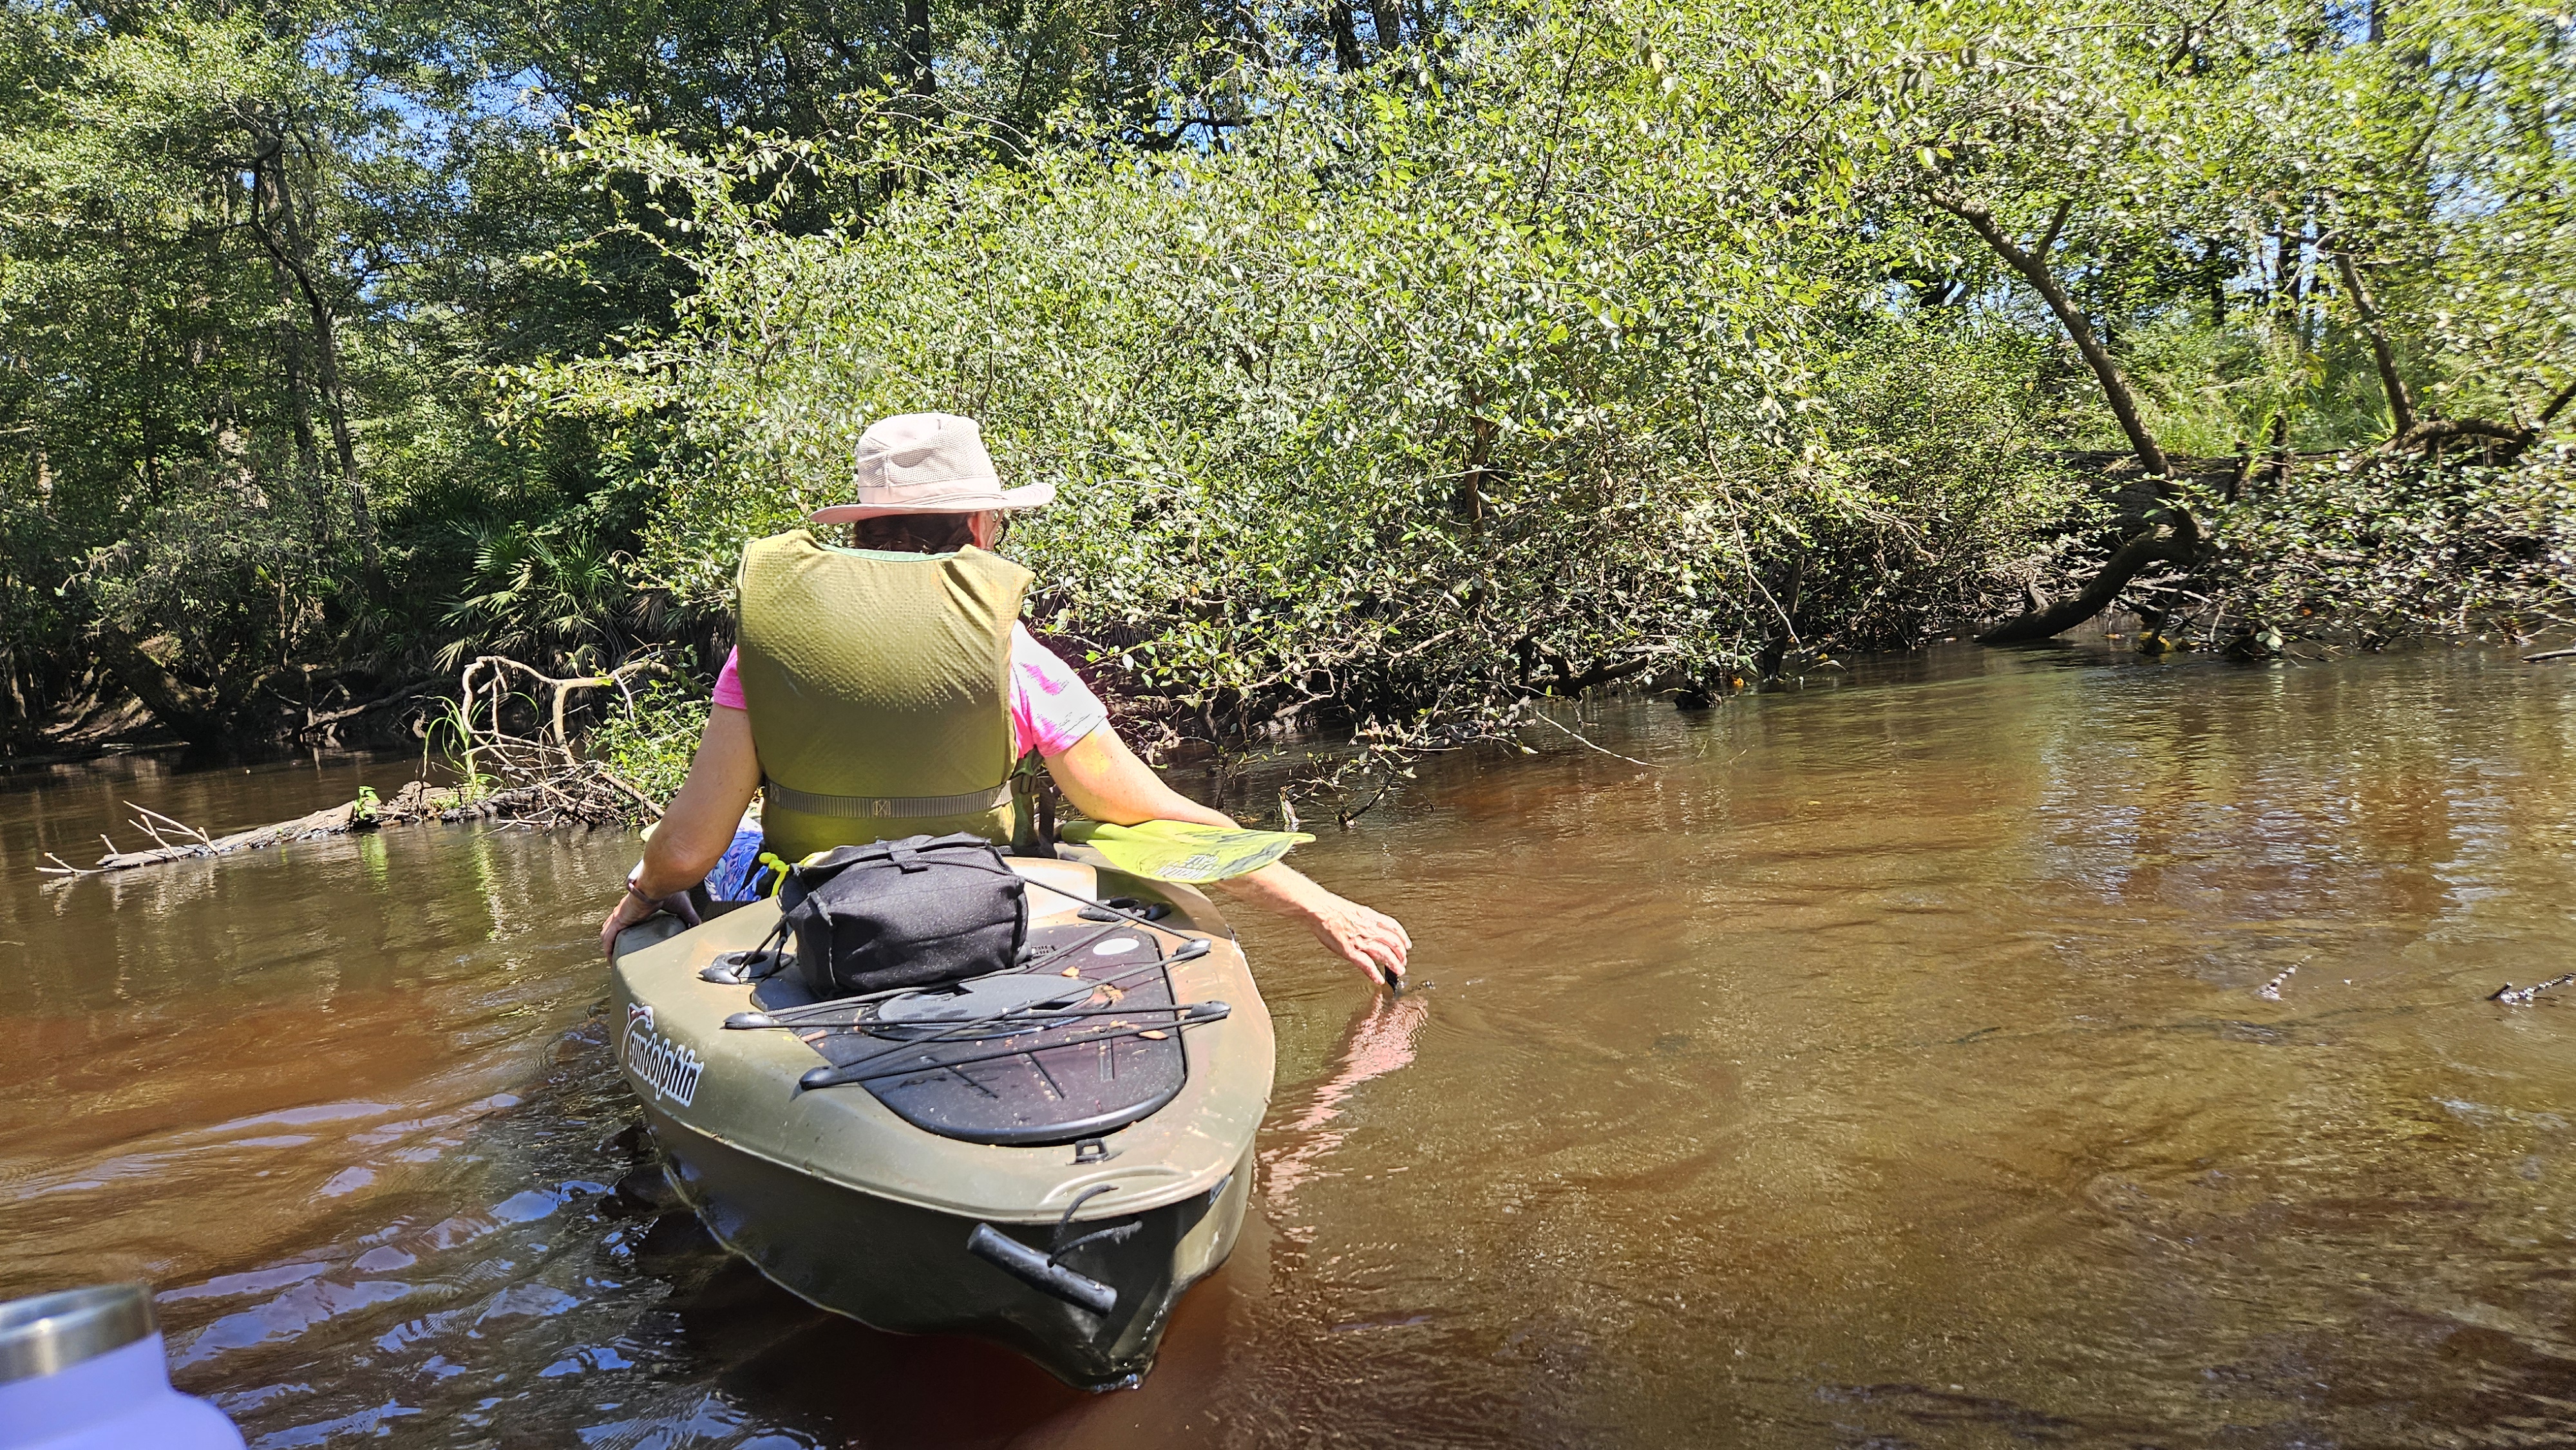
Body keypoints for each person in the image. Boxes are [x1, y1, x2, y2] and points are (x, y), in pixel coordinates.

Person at [596, 412, 1410, 988]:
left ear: (862, 529)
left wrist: (640, 894)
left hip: (821, 927)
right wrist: (1323, 907)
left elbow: (687, 853)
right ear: (981, 527)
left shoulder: (765, 654)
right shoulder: (1012, 657)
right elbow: (1155, 815)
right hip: (970, 919)